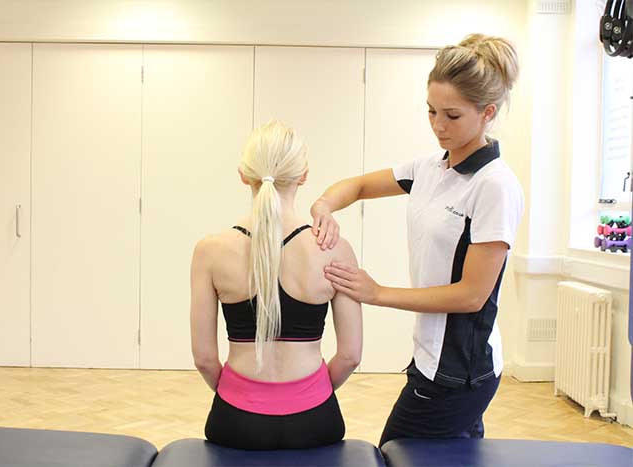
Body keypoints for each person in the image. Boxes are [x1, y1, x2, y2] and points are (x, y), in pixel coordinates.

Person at [310, 34, 524, 446]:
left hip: (458, 372)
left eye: (452, 115)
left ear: (487, 113)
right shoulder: (429, 168)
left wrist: (377, 292)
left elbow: (471, 296)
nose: (438, 126)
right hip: (430, 355)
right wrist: (323, 205)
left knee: (394, 451)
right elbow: (355, 185)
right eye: (431, 112)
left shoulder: (494, 185)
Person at [190, 120, 362, 450]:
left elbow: (204, 359)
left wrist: (244, 396)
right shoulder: (335, 249)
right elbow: (350, 356)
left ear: (244, 174)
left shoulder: (209, 251)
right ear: (304, 175)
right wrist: (308, 394)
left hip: (236, 420)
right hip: (316, 419)